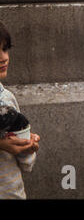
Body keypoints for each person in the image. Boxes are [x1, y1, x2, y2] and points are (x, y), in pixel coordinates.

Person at [0, 21, 40, 199]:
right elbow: (26, 163)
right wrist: (27, 148)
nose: (3, 57)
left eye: (5, 49)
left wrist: (27, 144)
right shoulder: (5, 100)